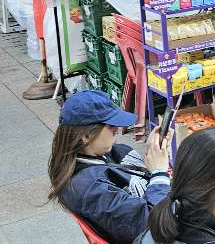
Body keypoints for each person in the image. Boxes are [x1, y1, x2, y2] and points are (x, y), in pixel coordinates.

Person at [48, 91, 171, 244]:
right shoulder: (89, 189)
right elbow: (154, 225)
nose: (117, 129)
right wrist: (159, 173)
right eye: (111, 125)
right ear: (85, 136)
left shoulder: (101, 154)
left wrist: (154, 151)